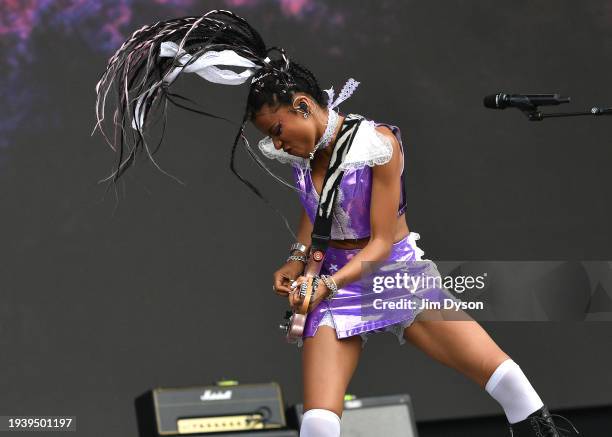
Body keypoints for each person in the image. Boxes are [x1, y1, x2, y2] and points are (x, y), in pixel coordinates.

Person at [93, 9, 580, 437]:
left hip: (393, 274)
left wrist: (323, 282)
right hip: (336, 285)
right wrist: (297, 260)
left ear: (302, 106)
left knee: (508, 383)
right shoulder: (307, 153)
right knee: (319, 421)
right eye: (271, 139)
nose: (278, 146)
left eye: (279, 132)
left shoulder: (377, 143)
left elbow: (383, 241)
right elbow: (317, 212)